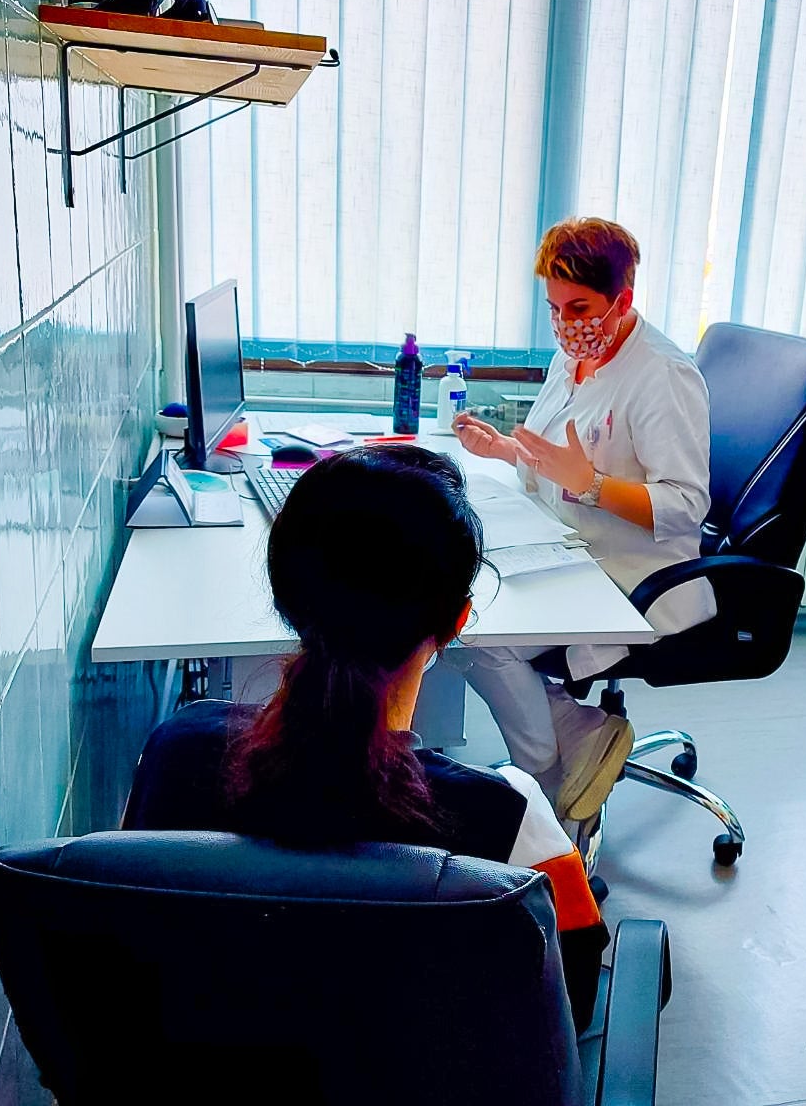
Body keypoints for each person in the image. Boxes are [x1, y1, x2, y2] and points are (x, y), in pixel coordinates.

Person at [121, 445, 608, 1028]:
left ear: (286, 599)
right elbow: (571, 999)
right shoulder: (510, 816)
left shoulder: (174, 754)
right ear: (457, 620)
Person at [451, 217, 713, 823]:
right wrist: (508, 451)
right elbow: (563, 456)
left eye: (580, 306)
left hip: (632, 575)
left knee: (476, 635)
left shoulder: (663, 377)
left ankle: (549, 788)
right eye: (554, 306)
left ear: (623, 299)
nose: (567, 324)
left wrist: (591, 487)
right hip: (564, 547)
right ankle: (575, 730)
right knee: (450, 605)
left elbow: (684, 506)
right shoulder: (575, 356)